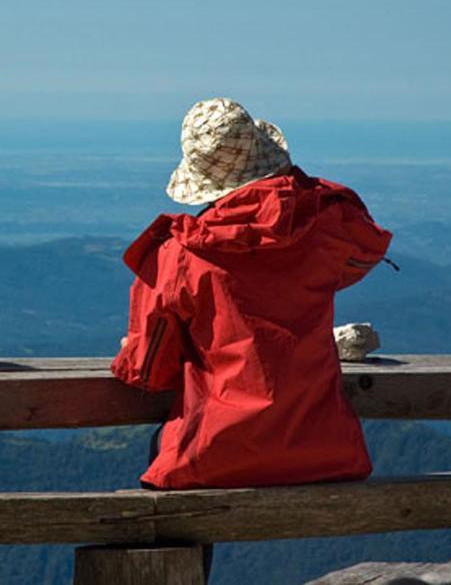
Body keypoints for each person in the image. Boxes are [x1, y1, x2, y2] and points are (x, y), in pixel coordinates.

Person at [112, 97, 391, 495]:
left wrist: (132, 349)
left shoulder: (180, 255)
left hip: (215, 453)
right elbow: (365, 250)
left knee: (165, 465)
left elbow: (147, 373)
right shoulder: (320, 228)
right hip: (323, 450)